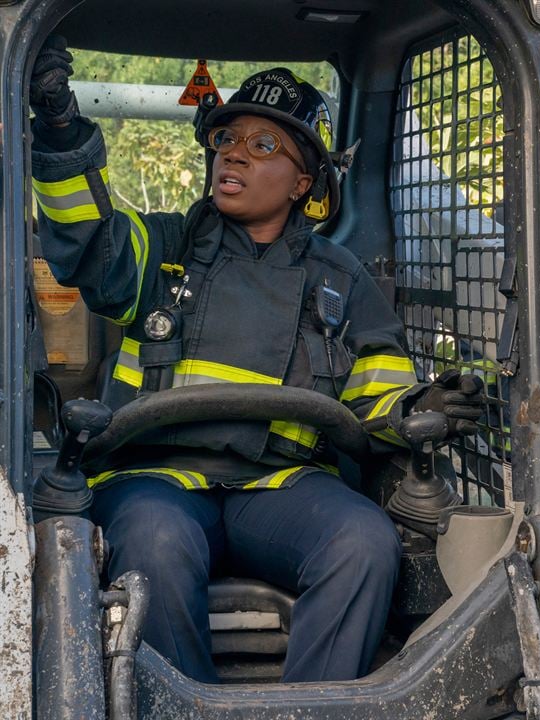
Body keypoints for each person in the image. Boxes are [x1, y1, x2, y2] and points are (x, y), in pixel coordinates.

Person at [30, 37, 483, 684]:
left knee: (363, 542)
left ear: (305, 181)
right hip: (156, 480)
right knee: (154, 544)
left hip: (280, 486)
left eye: (264, 144)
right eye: (226, 139)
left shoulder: (339, 279)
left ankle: (311, 705)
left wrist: (419, 408)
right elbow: (88, 243)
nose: (235, 152)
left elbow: (378, 390)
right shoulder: (165, 247)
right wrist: (59, 127)